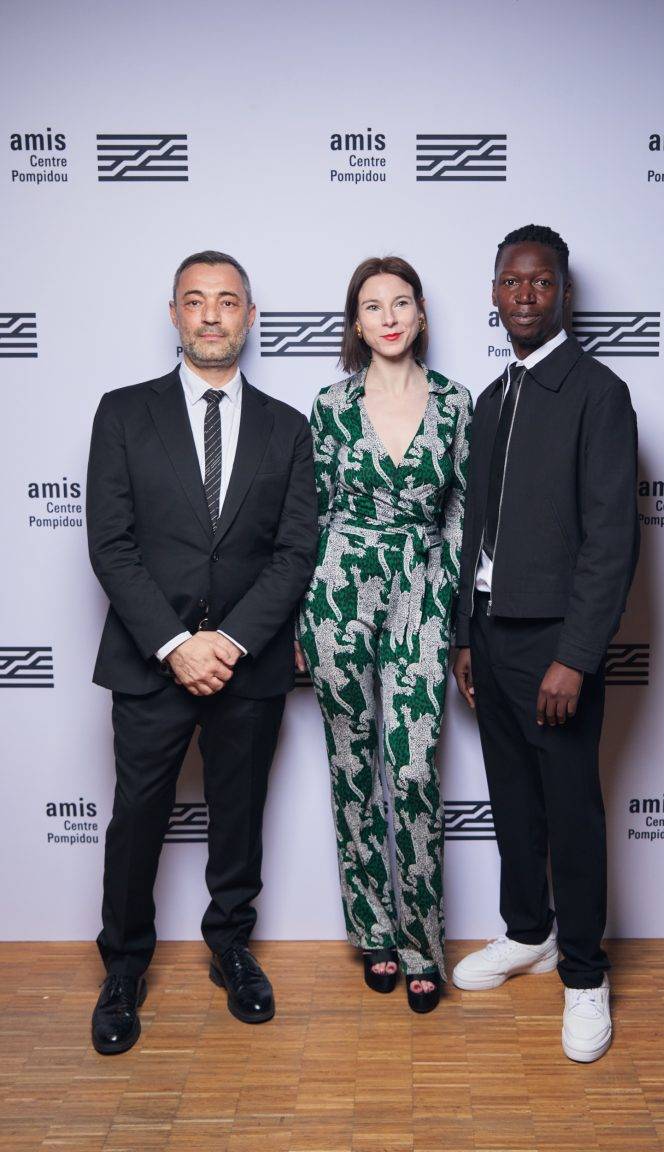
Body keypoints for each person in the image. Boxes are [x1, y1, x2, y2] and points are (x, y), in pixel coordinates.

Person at [86, 250, 317, 1054]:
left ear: (250, 317)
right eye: (195, 301)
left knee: (239, 816)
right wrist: (177, 644)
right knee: (137, 819)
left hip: (248, 664)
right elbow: (111, 546)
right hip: (151, 663)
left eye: (228, 301)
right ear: (175, 315)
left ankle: (231, 946)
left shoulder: (290, 428)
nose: (212, 316)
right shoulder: (122, 412)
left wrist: (232, 640)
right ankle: (122, 969)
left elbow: (296, 552)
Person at [451, 225, 638, 1062]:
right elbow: (473, 535)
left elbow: (610, 540)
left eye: (540, 281)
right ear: (494, 293)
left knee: (570, 811)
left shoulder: (598, 392)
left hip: (556, 646)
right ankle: (527, 932)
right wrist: (464, 635)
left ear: (563, 292)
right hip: (489, 638)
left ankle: (586, 976)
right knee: (513, 805)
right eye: (509, 281)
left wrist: (577, 653)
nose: (524, 294)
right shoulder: (492, 401)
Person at [297, 256, 471, 1013]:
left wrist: (454, 609)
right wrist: (305, 612)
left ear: (421, 313)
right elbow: (309, 513)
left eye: (402, 302)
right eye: (374, 306)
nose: (390, 316)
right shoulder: (330, 404)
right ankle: (370, 928)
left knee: (413, 770)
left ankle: (421, 941)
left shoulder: (459, 404)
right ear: (357, 323)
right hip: (338, 587)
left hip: (423, 589)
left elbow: (463, 515)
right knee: (351, 761)